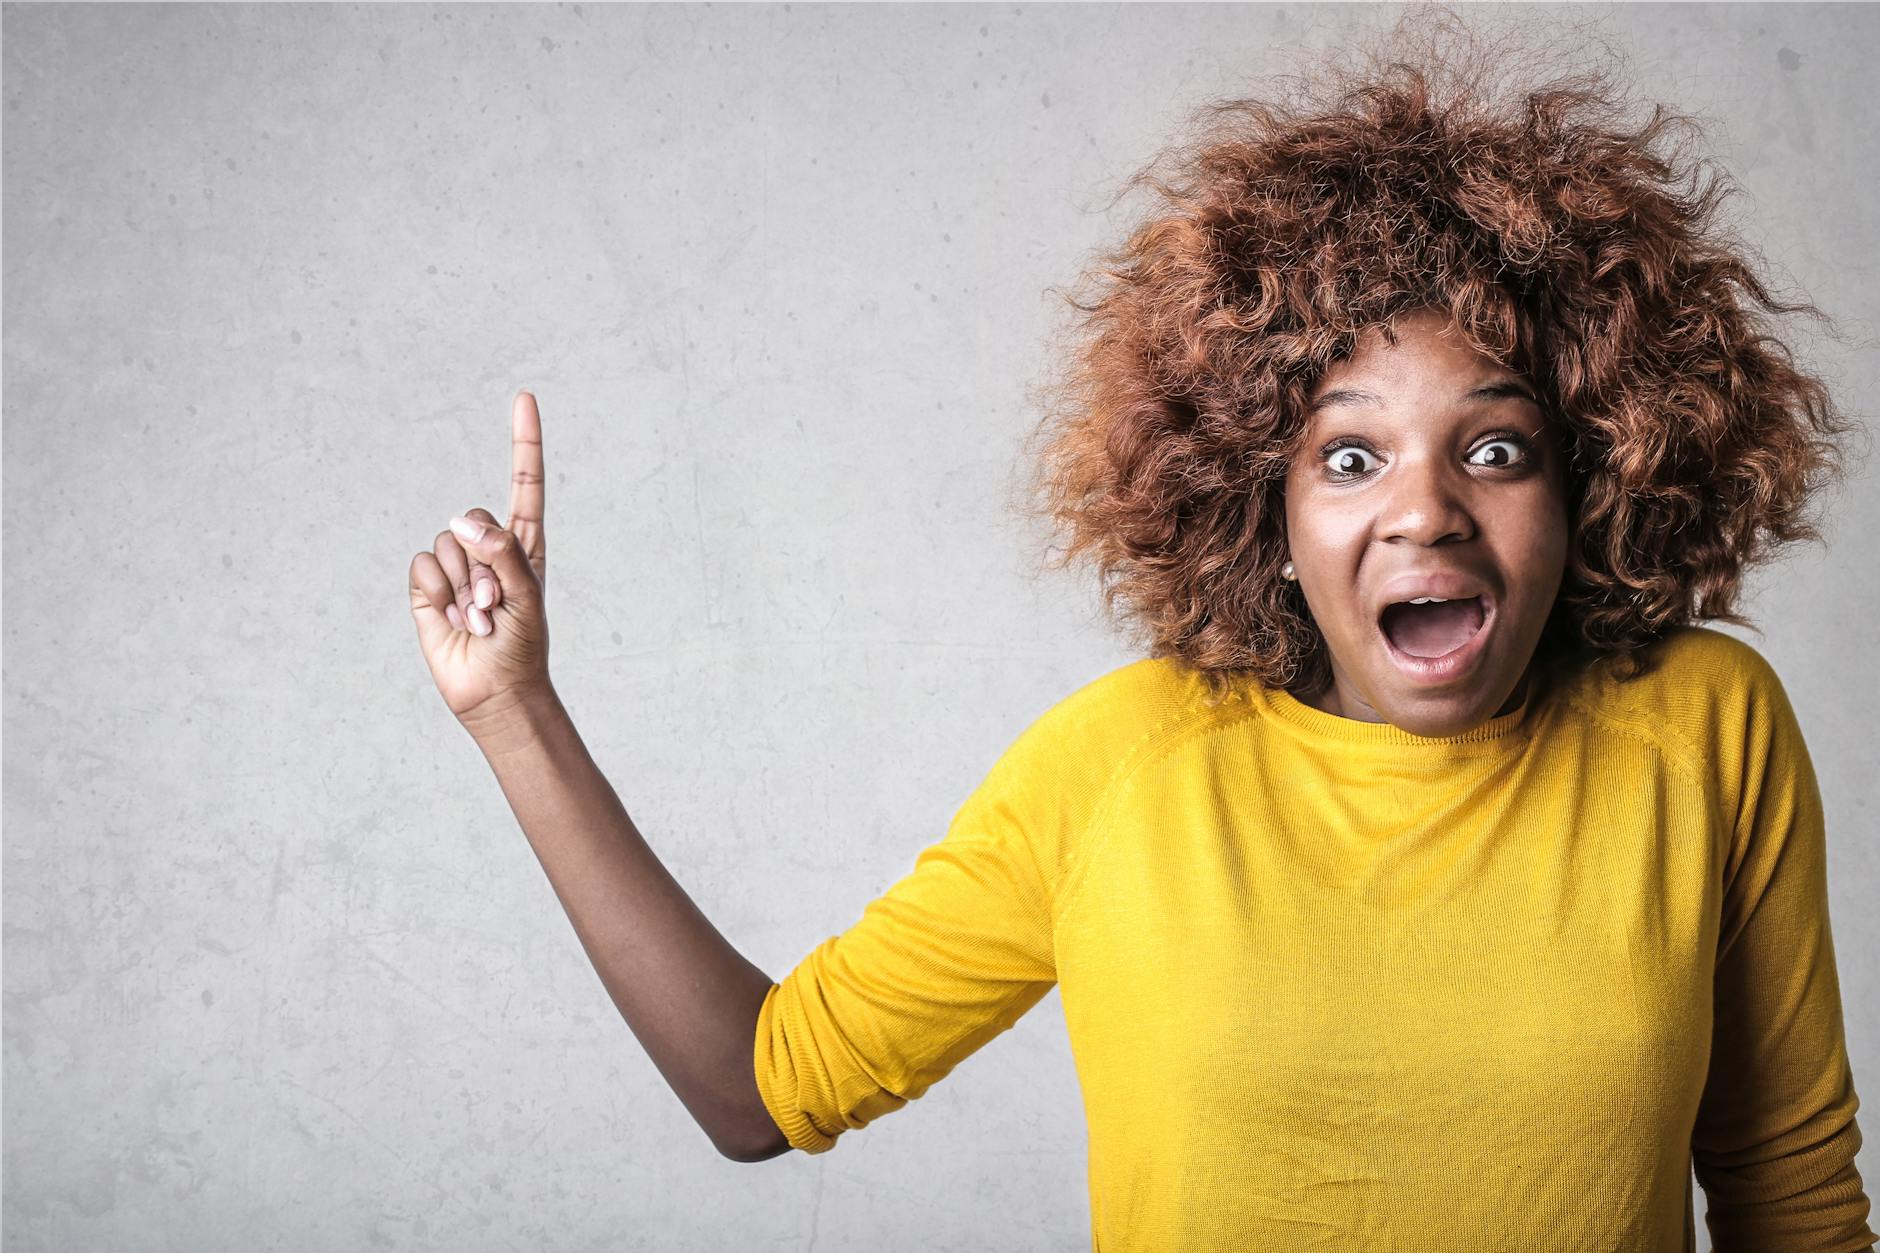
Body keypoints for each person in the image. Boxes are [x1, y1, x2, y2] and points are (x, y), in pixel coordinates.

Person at [406, 21, 1875, 1253]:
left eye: (1495, 450)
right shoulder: (1123, 766)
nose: (1424, 514)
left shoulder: (1703, 725)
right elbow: (757, 1088)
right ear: (1262, 502)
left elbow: (1792, 1196)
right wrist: (514, 710)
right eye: (1349, 458)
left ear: (1593, 476)